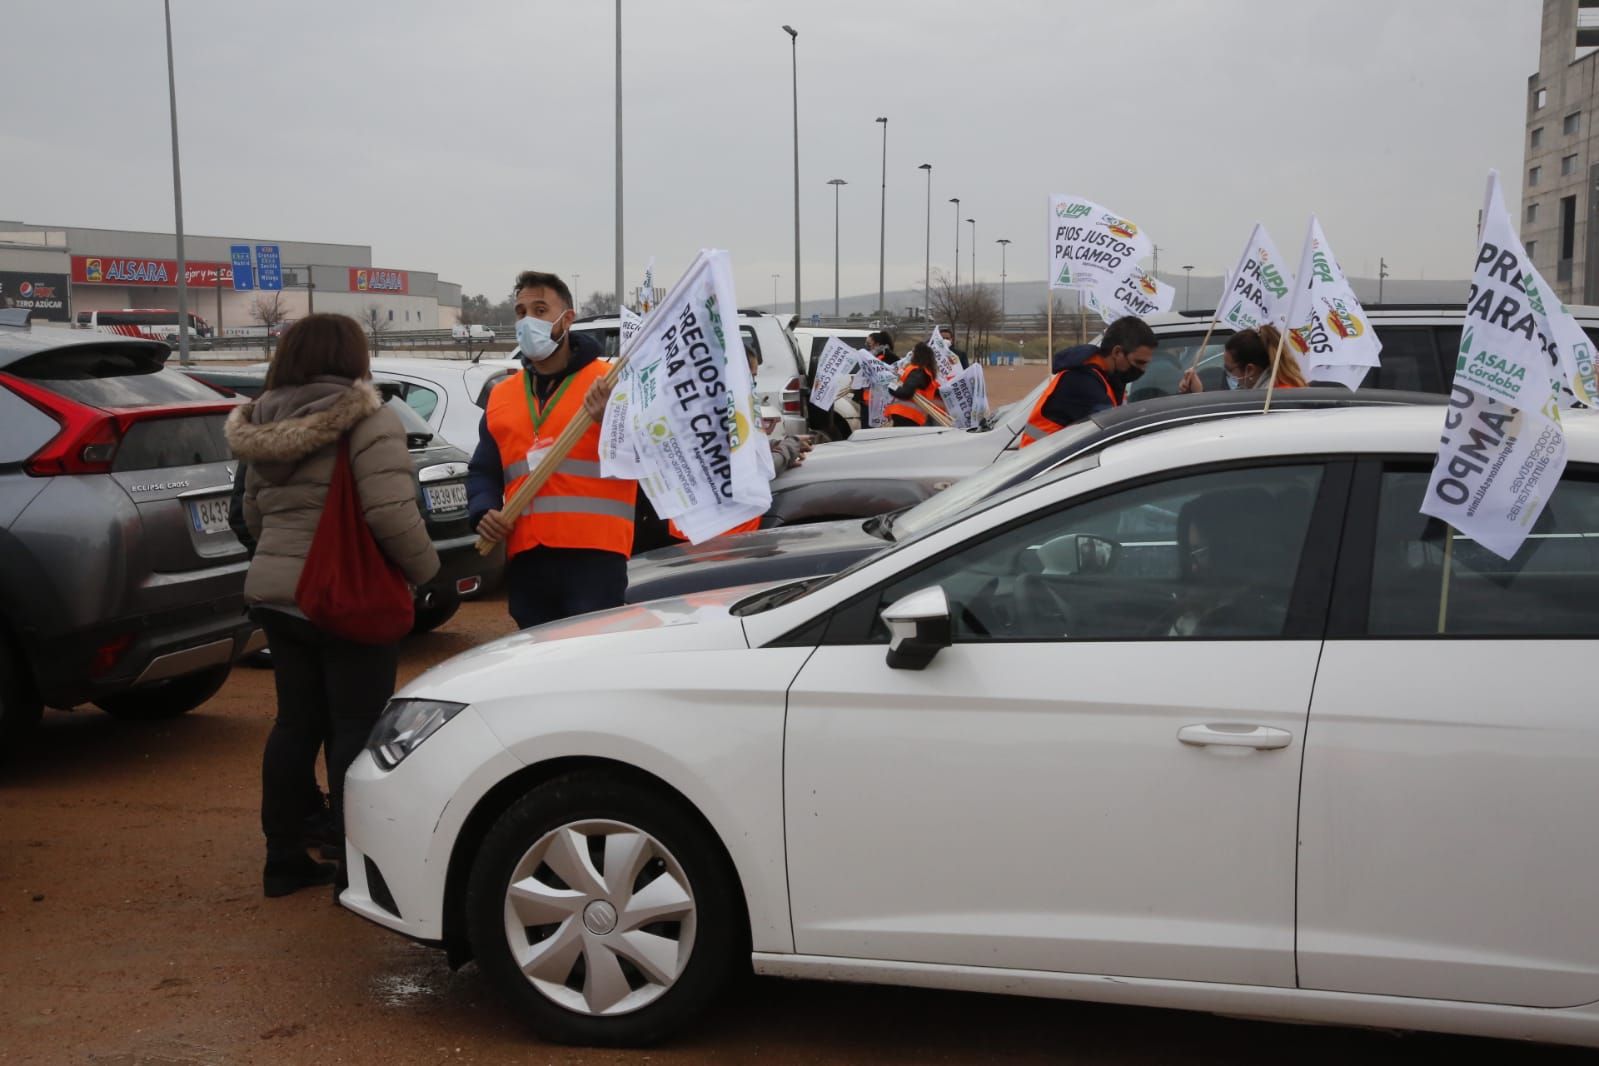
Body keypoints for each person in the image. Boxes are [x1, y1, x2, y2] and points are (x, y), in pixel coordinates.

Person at [225, 313, 440, 898]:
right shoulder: (370, 417)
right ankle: (356, 865)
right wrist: (427, 572)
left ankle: (283, 858)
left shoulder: (260, 418)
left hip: (276, 594)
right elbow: (390, 513)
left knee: (294, 725)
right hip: (346, 595)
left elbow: (250, 514)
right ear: (353, 357)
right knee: (354, 728)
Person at [468, 270, 636, 629]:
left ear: (567, 319)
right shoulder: (502, 394)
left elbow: (648, 456)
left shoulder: (611, 385)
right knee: (539, 671)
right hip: (528, 557)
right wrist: (483, 509)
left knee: (590, 666)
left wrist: (614, 422)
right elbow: (485, 469)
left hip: (595, 556)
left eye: (540, 310)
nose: (529, 320)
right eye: (521, 311)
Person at [1020, 316, 1158, 446]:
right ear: (1117, 352)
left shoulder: (1106, 378)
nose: (1142, 369)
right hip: (1041, 464)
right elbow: (1113, 432)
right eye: (1139, 362)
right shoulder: (1081, 381)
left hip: (1053, 460)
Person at [1178, 325, 1305, 394]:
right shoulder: (1256, 393)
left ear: (1250, 370)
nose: (1227, 375)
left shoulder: (1277, 397)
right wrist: (1198, 393)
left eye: (1229, 369)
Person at [884, 342, 947, 427]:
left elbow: (906, 393)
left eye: (913, 352)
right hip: (912, 414)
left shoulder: (917, 372)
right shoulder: (925, 372)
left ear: (918, 355)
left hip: (905, 414)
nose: (911, 355)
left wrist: (891, 386)